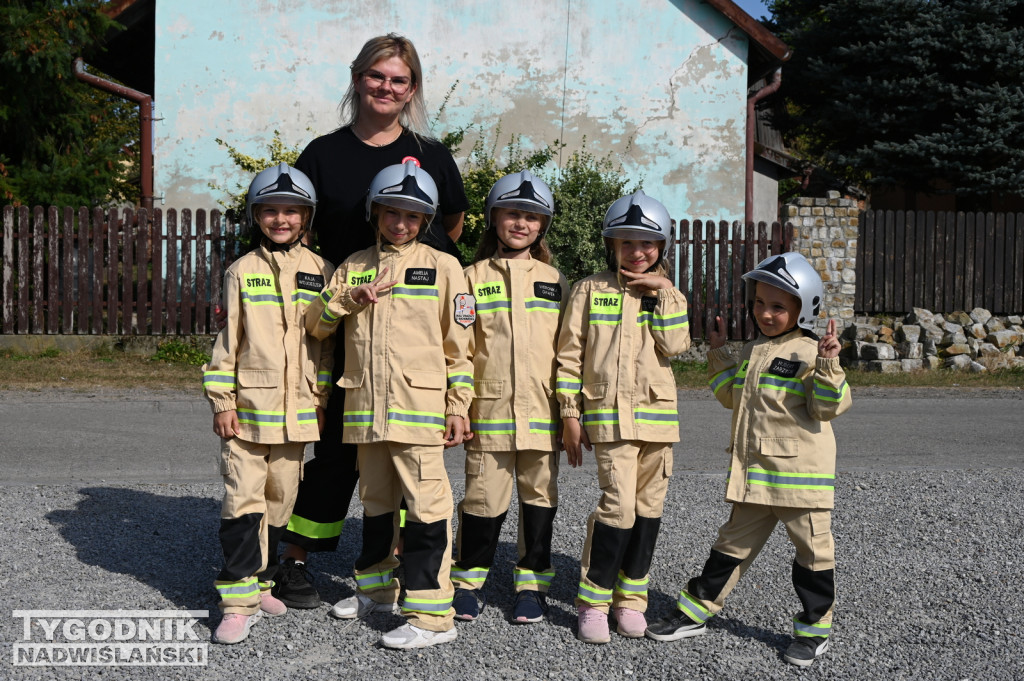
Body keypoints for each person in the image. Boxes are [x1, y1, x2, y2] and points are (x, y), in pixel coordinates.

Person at [272, 33, 469, 608]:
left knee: (406, 452)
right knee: (334, 448)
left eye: (399, 80)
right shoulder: (323, 153)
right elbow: (301, 229)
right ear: (357, 79)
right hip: (341, 317)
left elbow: (450, 224)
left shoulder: (431, 154)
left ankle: (406, 569)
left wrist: (409, 280)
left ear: (412, 90)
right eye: (377, 76)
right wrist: (342, 293)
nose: (387, 87)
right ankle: (296, 558)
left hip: (406, 331)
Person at [645, 251, 851, 668]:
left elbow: (829, 407)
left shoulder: (810, 353)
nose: (765, 313)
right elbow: (731, 397)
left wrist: (830, 365)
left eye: (777, 306)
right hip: (756, 478)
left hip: (801, 482)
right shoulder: (754, 349)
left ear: (804, 307)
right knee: (729, 549)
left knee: (813, 558)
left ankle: (814, 632)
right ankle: (695, 612)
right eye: (759, 303)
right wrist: (720, 354)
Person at [305, 161, 472, 649]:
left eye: (412, 216)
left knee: (426, 509)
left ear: (426, 220)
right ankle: (377, 590)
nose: (401, 224)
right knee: (376, 505)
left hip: (419, 411)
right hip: (364, 410)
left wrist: (458, 405)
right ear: (375, 213)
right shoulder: (354, 265)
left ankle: (432, 615)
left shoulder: (444, 266)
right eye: (392, 213)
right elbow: (316, 323)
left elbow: (459, 347)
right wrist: (349, 300)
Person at [202, 163, 334, 644]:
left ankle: (260, 584)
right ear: (257, 216)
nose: (282, 220)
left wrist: (319, 398)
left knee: (281, 500)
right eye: (271, 211)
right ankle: (236, 602)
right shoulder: (242, 271)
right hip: (249, 412)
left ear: (306, 217)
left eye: (292, 211)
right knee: (242, 501)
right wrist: (221, 401)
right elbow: (227, 341)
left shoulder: (323, 272)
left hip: (298, 415)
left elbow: (325, 347)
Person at [555, 191, 691, 644]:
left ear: (662, 248)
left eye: (647, 244)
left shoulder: (671, 295)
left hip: (656, 419)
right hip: (610, 419)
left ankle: (631, 600)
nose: (637, 252)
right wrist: (570, 413)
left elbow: (675, 346)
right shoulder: (590, 289)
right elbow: (569, 356)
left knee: (649, 511)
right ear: (611, 245)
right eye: (627, 242)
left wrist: (662, 293)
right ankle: (592, 602)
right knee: (618, 508)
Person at [451, 171, 569, 624]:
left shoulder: (556, 281)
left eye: (531, 217)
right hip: (490, 413)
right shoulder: (469, 278)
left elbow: (569, 352)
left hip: (542, 413)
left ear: (542, 226)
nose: (521, 223)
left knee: (539, 500)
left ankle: (531, 586)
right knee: (482, 500)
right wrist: (459, 407)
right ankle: (468, 581)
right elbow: (459, 350)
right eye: (512, 213)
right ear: (494, 218)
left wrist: (570, 413)